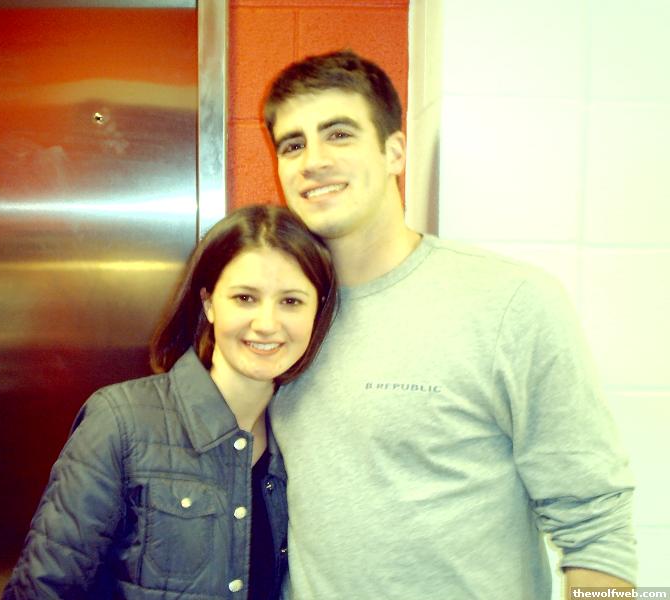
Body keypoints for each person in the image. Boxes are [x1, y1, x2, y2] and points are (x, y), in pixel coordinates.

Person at [263, 50, 637, 600]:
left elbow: (597, 529)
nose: (312, 161)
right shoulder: (281, 321)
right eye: (292, 145)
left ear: (394, 152)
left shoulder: (509, 300)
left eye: (339, 134)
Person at [2, 205, 337, 599]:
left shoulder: (300, 437)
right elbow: (43, 588)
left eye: (291, 302)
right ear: (209, 303)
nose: (267, 324)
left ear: (317, 311)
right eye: (245, 297)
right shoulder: (120, 421)